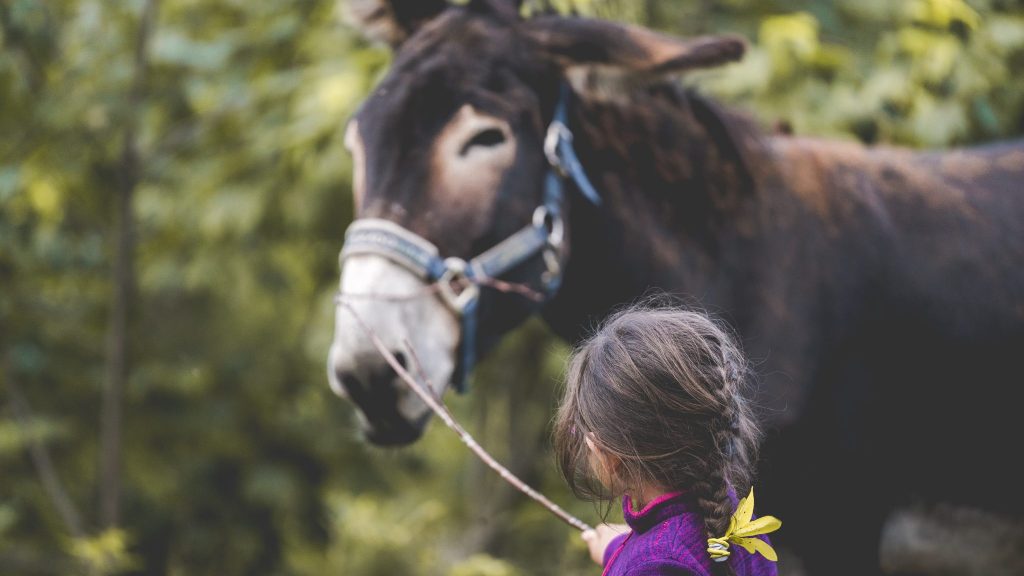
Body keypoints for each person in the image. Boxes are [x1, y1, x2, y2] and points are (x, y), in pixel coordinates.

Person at [553, 306, 780, 576]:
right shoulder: (736, 524)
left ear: (606, 455)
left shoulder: (652, 563)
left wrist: (631, 560)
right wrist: (623, 550)